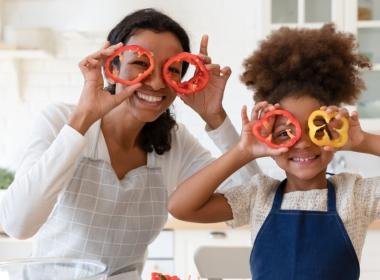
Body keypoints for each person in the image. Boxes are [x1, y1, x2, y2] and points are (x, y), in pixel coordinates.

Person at [0, 8, 261, 279]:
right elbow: (18, 224)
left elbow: (256, 200)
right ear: (112, 67)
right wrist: (82, 119)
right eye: (140, 63)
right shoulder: (60, 121)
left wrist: (215, 118)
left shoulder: (175, 142)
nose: (158, 82)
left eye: (172, 69)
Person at [168, 24, 380, 280]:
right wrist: (243, 151)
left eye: (316, 129)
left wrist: (361, 140)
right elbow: (180, 207)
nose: (302, 144)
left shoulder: (355, 196)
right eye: (285, 133)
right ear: (266, 140)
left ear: (336, 132)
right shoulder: (259, 196)